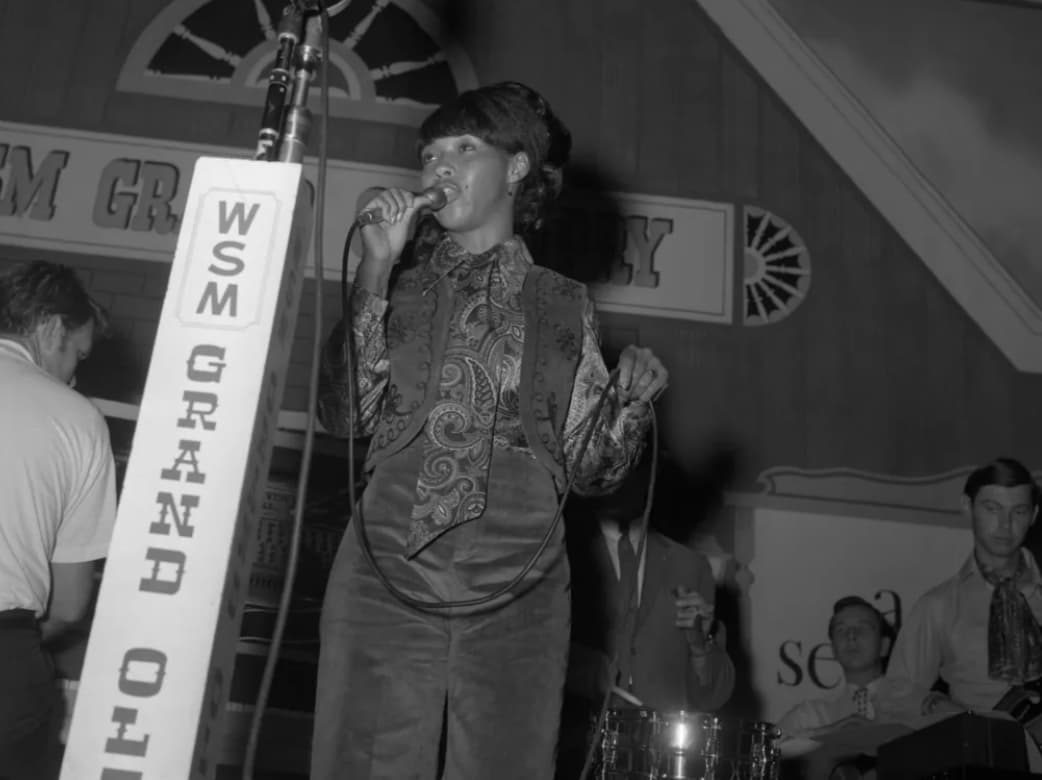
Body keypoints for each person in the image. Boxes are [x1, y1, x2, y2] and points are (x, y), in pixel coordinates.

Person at [311, 81, 669, 780]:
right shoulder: (395, 282)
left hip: (521, 577)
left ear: (515, 168)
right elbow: (341, 415)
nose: (438, 167)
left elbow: (592, 469)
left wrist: (627, 403)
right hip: (388, 562)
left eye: (463, 148)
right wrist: (375, 267)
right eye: (430, 153)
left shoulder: (565, 303)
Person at [0, 260, 117, 776]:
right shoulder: (77, 418)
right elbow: (69, 606)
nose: (74, 374)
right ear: (51, 329)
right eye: (77, 355)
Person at [557, 455, 734, 779]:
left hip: (660, 764)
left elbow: (715, 693)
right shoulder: (561, 554)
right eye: (613, 465)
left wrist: (699, 647)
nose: (622, 478)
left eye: (634, 466)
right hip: (574, 757)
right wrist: (584, 669)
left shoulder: (690, 565)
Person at [877, 457, 1041, 723]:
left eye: (1019, 511)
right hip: (982, 755)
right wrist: (942, 708)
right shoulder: (939, 605)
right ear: (968, 506)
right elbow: (894, 696)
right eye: (992, 508)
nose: (1005, 524)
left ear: (1033, 515)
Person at [778, 596, 892, 738]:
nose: (851, 635)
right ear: (833, 649)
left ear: (884, 646)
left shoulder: (916, 706)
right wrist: (827, 733)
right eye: (841, 629)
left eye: (863, 627)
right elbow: (767, 748)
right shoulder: (809, 716)